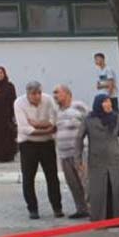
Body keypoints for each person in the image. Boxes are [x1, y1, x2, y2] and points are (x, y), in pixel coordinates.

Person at [77, 94, 119, 223]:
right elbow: (79, 139)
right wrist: (78, 160)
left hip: (116, 160)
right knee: (99, 191)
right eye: (105, 102)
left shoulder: (116, 118)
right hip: (97, 161)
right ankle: (101, 218)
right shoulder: (89, 120)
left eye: (109, 102)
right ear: (99, 104)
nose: (109, 104)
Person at [13, 81, 62, 220]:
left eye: (39, 93)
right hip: (27, 144)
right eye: (34, 94)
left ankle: (57, 207)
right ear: (27, 94)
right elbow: (24, 129)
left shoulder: (48, 100)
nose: (37, 96)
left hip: (47, 143)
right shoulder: (19, 103)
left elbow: (54, 122)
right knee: (28, 178)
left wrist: (38, 125)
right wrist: (45, 129)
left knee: (52, 176)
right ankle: (33, 209)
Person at [52, 84, 89, 218]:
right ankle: (81, 209)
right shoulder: (56, 112)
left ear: (67, 94)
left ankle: (93, 209)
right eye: (54, 93)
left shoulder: (79, 106)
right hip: (63, 153)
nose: (55, 96)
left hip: (79, 153)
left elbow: (90, 123)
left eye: (57, 92)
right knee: (73, 183)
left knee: (85, 181)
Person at [0, 66, 16, 163]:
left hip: (6, 117)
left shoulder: (9, 86)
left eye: (1, 72)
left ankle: (6, 156)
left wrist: (13, 115)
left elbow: (13, 101)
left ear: (4, 74)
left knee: (6, 136)